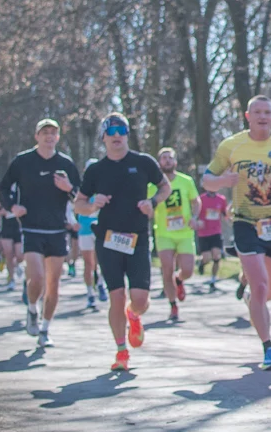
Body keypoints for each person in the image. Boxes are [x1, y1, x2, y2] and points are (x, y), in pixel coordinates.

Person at [203, 95, 271, 372]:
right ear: (247, 116)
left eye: (267, 112)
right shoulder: (231, 145)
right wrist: (221, 181)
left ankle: (248, 292)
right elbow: (207, 179)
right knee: (262, 287)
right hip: (245, 222)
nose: (262, 116)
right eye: (257, 112)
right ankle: (268, 348)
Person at [76, 113, 168, 371]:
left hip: (137, 238)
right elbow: (79, 204)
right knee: (116, 295)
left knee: (139, 299)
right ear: (103, 137)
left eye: (122, 130)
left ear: (127, 134)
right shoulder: (96, 170)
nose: (117, 135)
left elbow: (165, 187)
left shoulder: (143, 162)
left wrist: (152, 202)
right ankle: (121, 351)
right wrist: (93, 203)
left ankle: (134, 315)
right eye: (111, 130)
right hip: (107, 239)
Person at [0, 118, 82, 349]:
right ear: (37, 136)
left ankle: (45, 329)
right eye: (44, 132)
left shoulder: (65, 164)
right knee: (37, 278)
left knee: (54, 284)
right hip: (31, 227)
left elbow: (80, 196)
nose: (49, 137)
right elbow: (3, 187)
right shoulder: (23, 161)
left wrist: (69, 189)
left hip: (57, 229)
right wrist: (13, 207)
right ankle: (32, 309)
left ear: (58, 137)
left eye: (53, 133)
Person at [150, 147, 200, 322]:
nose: (167, 161)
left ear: (175, 162)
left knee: (187, 270)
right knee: (167, 269)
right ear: (159, 163)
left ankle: (179, 280)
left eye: (170, 158)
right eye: (163, 158)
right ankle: (173, 305)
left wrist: (194, 217)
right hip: (164, 233)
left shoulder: (186, 181)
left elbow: (196, 202)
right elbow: (148, 207)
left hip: (185, 233)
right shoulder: (152, 186)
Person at [76, 159, 107, 310]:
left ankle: (100, 283)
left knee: (101, 260)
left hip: (101, 228)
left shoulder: (105, 186)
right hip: (85, 229)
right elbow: (73, 206)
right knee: (88, 263)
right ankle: (90, 294)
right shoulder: (82, 188)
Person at [195, 188, 228, 290]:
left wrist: (230, 219)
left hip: (216, 232)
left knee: (216, 256)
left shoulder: (221, 199)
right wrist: (196, 221)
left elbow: (224, 213)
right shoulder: (201, 199)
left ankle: (213, 279)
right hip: (204, 233)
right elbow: (195, 212)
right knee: (207, 257)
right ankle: (202, 263)